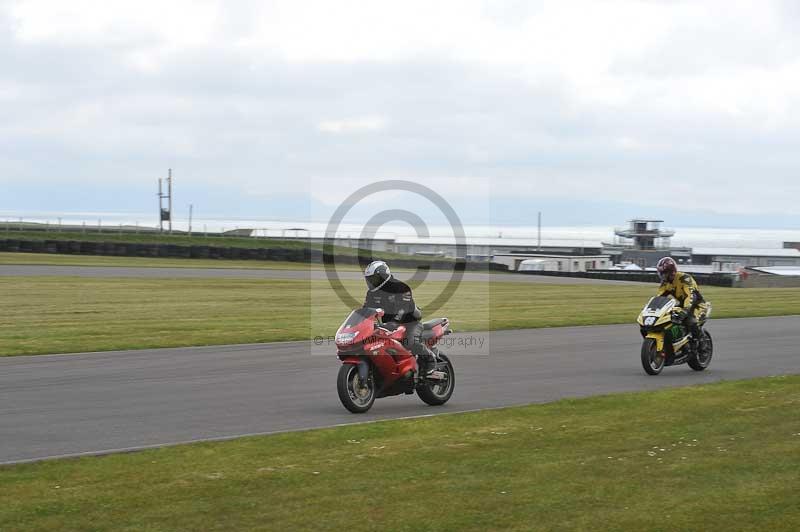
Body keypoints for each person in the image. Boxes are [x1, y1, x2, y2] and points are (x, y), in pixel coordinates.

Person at [363, 260, 436, 375]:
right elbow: (366, 310)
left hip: (410, 324)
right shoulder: (372, 293)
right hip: (388, 326)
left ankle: (429, 360)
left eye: (375, 279)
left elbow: (402, 309)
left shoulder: (401, 288)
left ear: (384, 276)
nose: (372, 282)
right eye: (370, 280)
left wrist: (394, 322)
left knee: (410, 342)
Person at [655, 256, 707, 342]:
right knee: (668, 319)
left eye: (664, 273)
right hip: (682, 305)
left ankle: (702, 343)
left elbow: (689, 296)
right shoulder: (665, 283)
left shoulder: (684, 279)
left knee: (691, 322)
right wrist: (653, 308)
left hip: (697, 305)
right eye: (661, 273)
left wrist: (685, 310)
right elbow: (659, 297)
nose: (662, 276)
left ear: (671, 272)